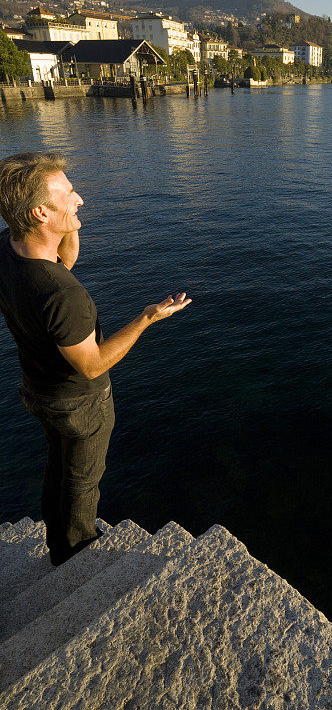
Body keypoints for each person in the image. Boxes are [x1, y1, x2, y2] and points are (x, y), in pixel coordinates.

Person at [0, 152, 191, 566]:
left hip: (37, 390)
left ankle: (57, 535)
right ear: (39, 212)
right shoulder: (63, 296)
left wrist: (67, 223)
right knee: (82, 483)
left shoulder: (9, 249)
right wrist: (147, 317)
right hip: (79, 403)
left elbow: (61, 261)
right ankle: (75, 555)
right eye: (69, 194)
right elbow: (91, 364)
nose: (81, 198)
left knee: (59, 466)